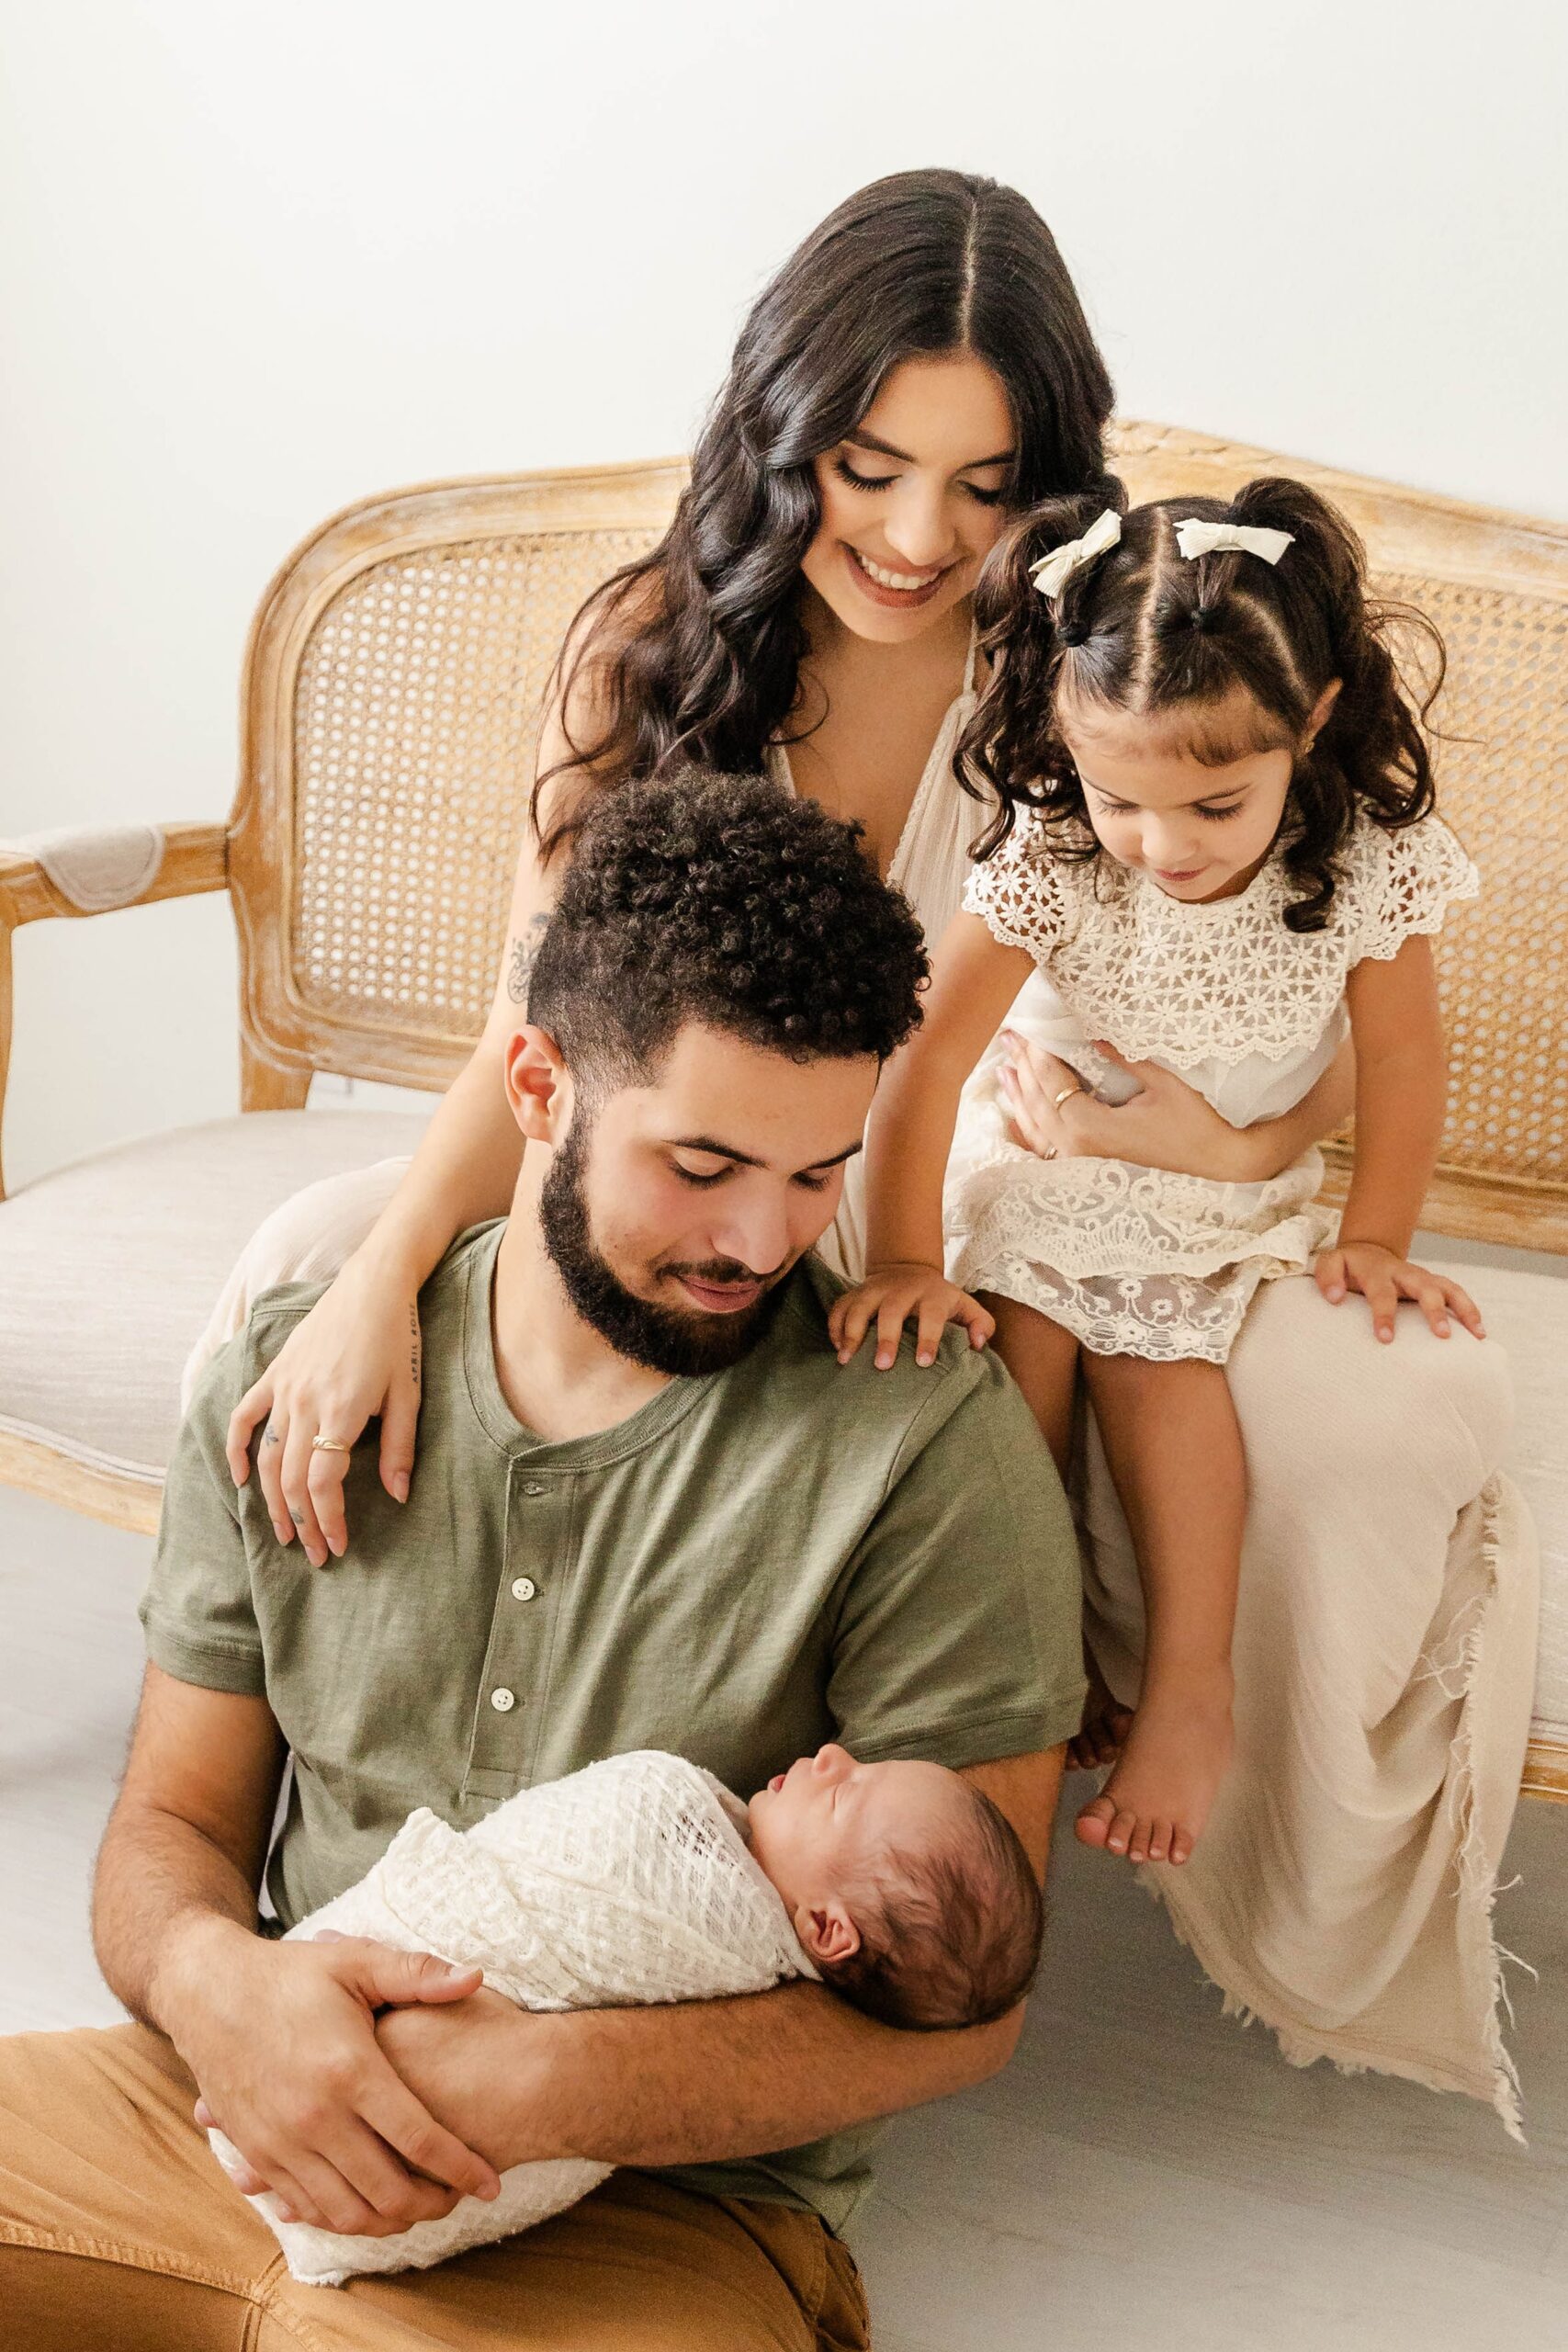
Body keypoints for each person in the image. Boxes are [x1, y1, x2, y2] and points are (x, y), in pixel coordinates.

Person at [0, 776, 1088, 2350]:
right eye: (701, 1166)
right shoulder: (303, 1366)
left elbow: (959, 2015)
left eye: (814, 1173)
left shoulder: (918, 1444)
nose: (762, 1243)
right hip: (233, 2105)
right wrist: (217, 1990)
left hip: (655, 2212)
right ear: (534, 1084)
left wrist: (536, 2084)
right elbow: (173, 1816)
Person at [181, 167, 1348, 1566]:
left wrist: (1242, 1141)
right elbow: (535, 1029)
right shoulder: (646, 652)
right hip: (685, 1161)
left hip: (969, 1202)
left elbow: (1314, 971)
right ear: (777, 433)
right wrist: (389, 1270)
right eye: (866, 471)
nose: (918, 541)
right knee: (318, 1262)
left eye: (981, 489)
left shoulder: (1091, 669)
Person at [831, 480, 1486, 1871]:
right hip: (1034, 1151)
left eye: (1211, 801)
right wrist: (898, 1257)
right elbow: (922, 1064)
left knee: (1155, 1359)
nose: (1163, 844)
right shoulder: (1056, 857)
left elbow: (1407, 1059)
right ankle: (1029, 1647)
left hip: (1211, 1188)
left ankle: (1187, 1689)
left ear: (1306, 727)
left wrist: (1375, 1234)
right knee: (1021, 1340)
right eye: (1118, 794)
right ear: (1066, 741)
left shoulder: (1361, 862)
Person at [222, 1742, 1043, 2287]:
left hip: (423, 2110)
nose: (832, 1754)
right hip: (272, 2030)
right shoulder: (714, 1854)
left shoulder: (719, 1945)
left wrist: (526, 2077)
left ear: (826, 1931)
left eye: (846, 1795)